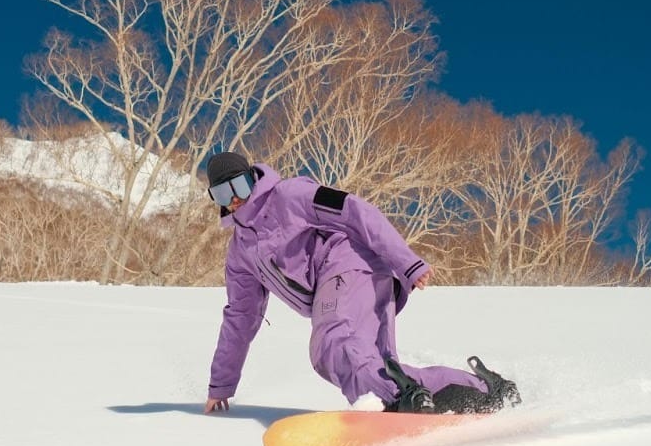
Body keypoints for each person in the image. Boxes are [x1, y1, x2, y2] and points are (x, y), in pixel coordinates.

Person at [201, 151, 519, 415]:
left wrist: (405, 261)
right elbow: (240, 318)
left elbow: (355, 210)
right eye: (222, 193)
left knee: (331, 345)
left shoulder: (290, 195)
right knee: (370, 364)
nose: (234, 199)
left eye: (239, 186)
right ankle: (486, 391)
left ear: (252, 179)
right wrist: (221, 385)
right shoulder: (241, 253)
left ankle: (395, 402)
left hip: (348, 266)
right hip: (345, 292)